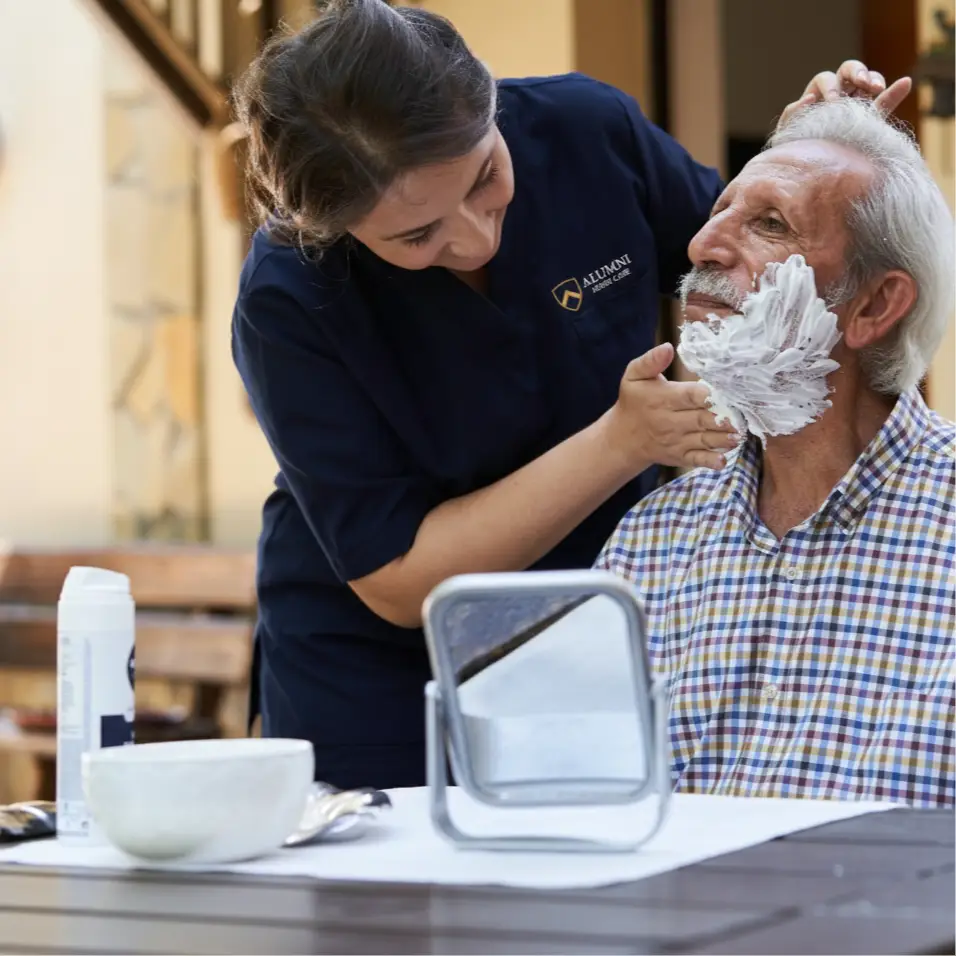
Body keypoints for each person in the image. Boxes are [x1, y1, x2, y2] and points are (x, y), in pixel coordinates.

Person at [231, 0, 908, 789]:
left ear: (488, 100)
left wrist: (798, 163)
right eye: (416, 238)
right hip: (380, 683)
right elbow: (399, 579)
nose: (476, 236)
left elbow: (739, 272)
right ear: (334, 229)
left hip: (595, 632)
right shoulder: (290, 296)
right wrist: (620, 443)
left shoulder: (588, 132)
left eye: (486, 177)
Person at [596, 97, 955, 808]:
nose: (702, 246)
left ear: (874, 307)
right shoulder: (649, 544)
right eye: (718, 212)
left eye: (769, 224)